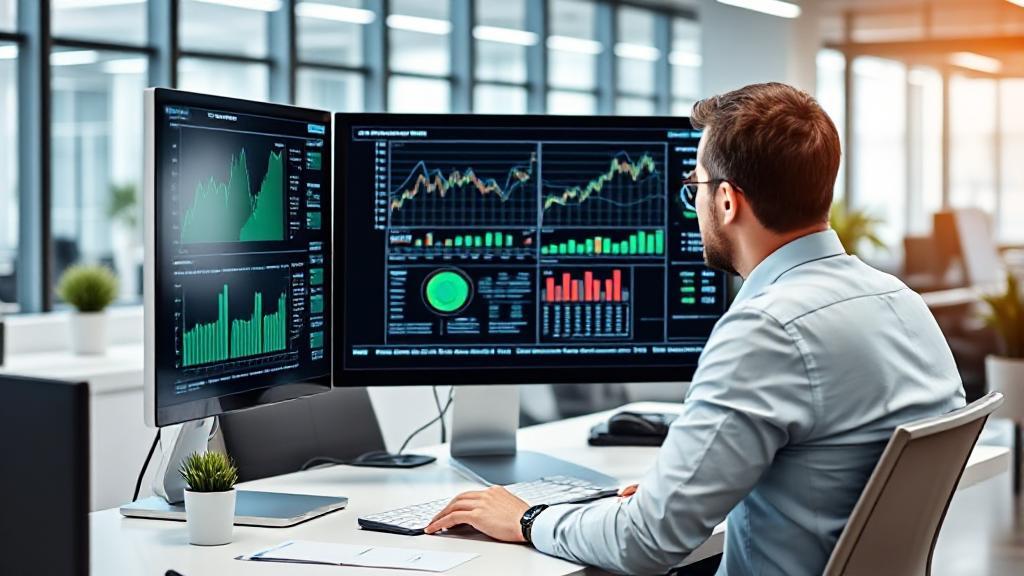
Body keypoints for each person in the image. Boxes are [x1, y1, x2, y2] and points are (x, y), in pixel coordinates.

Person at [424, 82, 966, 576]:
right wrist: (685, 491)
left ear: (727, 201)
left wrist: (527, 518)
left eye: (696, 186)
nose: (695, 203)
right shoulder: (902, 302)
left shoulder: (766, 329)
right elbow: (834, 467)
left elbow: (645, 543)